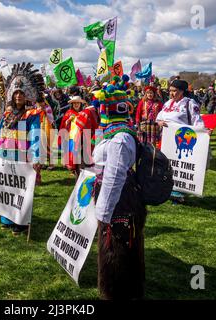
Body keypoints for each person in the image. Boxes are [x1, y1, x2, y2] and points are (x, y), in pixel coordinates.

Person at [92, 85, 147, 300]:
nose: (100, 112)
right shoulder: (115, 134)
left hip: (120, 200)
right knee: (118, 244)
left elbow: (114, 177)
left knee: (117, 244)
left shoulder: (120, 138)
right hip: (115, 194)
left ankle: (119, 292)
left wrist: (103, 213)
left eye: (102, 109)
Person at [0, 62, 50, 236]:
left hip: (22, 157)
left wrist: (37, 157)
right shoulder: (7, 114)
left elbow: (37, 136)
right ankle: (7, 219)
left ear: (27, 95)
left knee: (20, 189)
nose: (18, 97)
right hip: (4, 155)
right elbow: (0, 132)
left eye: (21, 94)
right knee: (5, 187)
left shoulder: (32, 115)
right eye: (16, 93)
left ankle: (21, 222)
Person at [156, 79, 205, 203]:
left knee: (180, 166)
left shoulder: (189, 103)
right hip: (167, 139)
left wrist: (203, 132)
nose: (172, 93)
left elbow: (197, 121)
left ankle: (179, 194)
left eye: (175, 91)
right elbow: (159, 118)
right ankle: (169, 191)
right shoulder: (167, 103)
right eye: (170, 91)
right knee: (168, 165)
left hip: (183, 140)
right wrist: (160, 122)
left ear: (182, 91)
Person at [59, 96, 85, 178]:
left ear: (80, 104)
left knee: (80, 156)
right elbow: (63, 125)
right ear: (72, 104)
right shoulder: (69, 113)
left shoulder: (84, 112)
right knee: (73, 156)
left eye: (78, 103)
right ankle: (75, 171)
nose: (76, 104)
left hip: (82, 137)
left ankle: (80, 171)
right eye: (74, 103)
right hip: (71, 137)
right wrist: (68, 121)